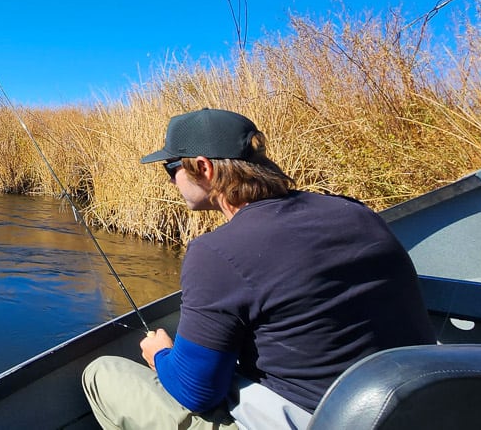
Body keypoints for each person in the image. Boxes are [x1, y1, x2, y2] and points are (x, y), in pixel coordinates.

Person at [82, 108, 434, 430]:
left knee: (100, 374)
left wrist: (159, 354)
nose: (171, 182)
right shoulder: (356, 213)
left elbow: (196, 392)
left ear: (203, 168)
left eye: (171, 169)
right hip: (412, 412)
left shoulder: (217, 251)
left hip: (313, 421)